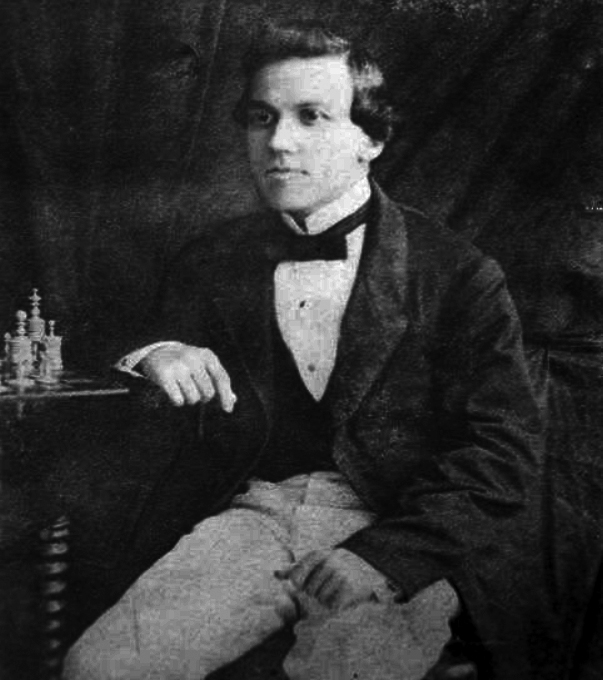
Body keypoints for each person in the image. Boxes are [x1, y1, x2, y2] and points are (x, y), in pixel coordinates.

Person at [63, 22, 543, 680]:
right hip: (254, 519)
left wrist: (384, 556)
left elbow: (503, 452)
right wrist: (156, 350)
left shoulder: (457, 274)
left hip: (401, 528)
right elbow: (97, 323)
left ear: (370, 139)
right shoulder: (213, 258)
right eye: (262, 118)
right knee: (101, 669)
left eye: (311, 117)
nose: (279, 143)